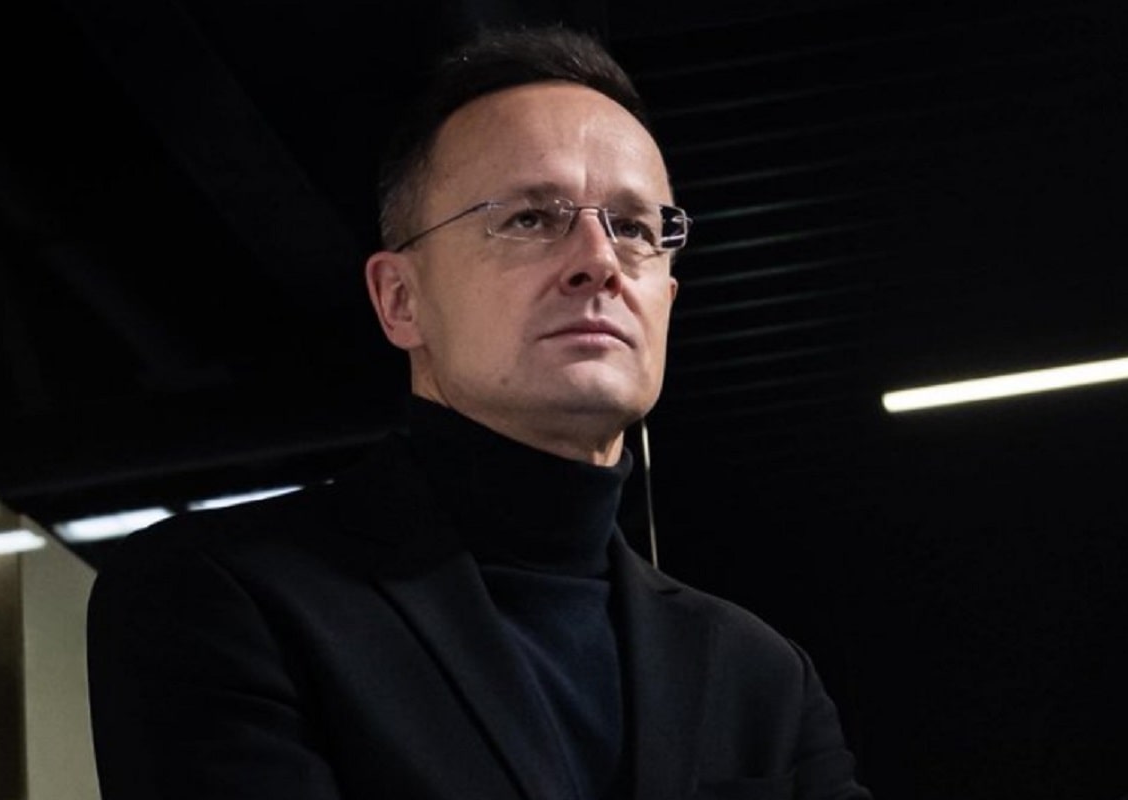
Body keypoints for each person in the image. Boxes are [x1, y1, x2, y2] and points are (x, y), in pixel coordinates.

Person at [86, 25, 872, 800]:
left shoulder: (763, 676)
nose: (600, 262)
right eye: (531, 218)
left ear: (666, 297)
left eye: (634, 228)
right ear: (400, 299)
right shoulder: (215, 595)